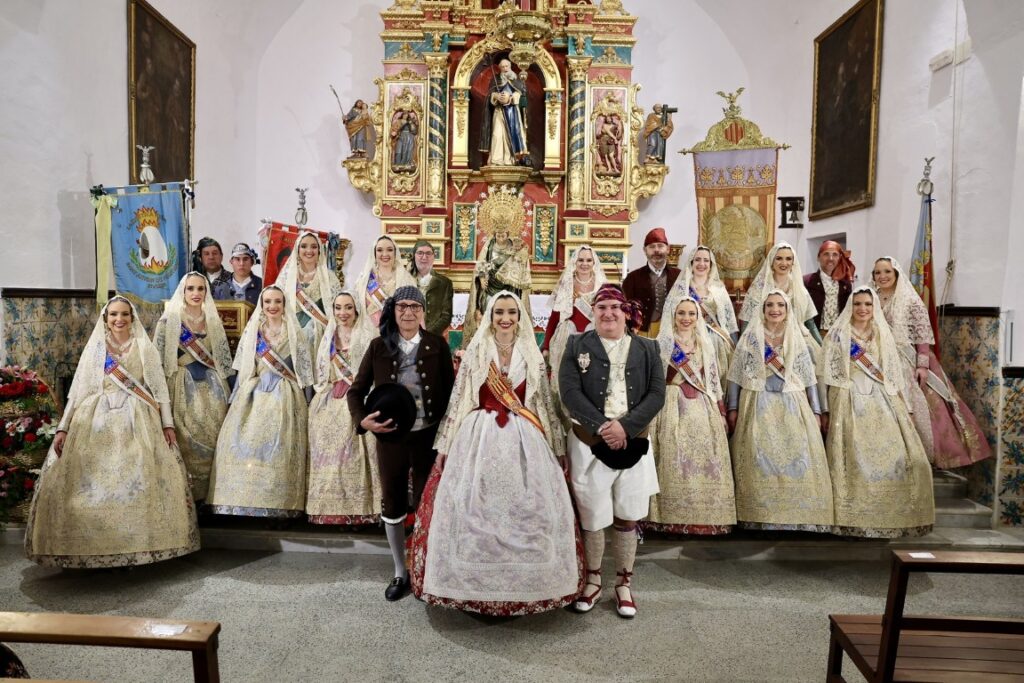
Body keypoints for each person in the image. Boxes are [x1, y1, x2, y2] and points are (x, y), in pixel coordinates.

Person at [410, 291, 581, 615]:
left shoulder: (530, 352)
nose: (505, 318)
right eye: (499, 312)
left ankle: (528, 586)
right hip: (479, 435)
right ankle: (473, 588)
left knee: (529, 508)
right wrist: (446, 447)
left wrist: (557, 448)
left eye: (511, 313)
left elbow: (542, 402)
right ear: (490, 316)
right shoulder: (477, 352)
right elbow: (461, 398)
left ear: (520, 317)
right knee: (472, 509)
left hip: (524, 437)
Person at [25, 296, 199, 568]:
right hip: (95, 419)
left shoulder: (144, 346)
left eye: (125, 315)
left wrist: (167, 424)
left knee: (137, 477)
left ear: (132, 318)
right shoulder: (96, 348)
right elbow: (77, 391)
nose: (119, 320)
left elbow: (159, 389)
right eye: (114, 315)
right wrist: (63, 427)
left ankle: (137, 547)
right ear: (105, 319)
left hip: (138, 418)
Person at [559, 283, 665, 619]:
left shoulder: (648, 348)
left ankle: (623, 583)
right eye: (601, 307)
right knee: (592, 517)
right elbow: (569, 391)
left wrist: (626, 427)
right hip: (590, 444)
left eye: (614, 308)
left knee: (628, 515)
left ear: (625, 313)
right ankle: (592, 582)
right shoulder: (577, 344)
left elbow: (656, 394)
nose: (608, 314)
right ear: (593, 313)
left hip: (634, 444)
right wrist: (603, 427)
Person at [348, 286, 455, 601]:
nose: (408, 313)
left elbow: (451, 395)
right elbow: (356, 391)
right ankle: (400, 571)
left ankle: (425, 569)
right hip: (391, 437)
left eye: (415, 306)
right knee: (392, 501)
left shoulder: (438, 345)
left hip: (428, 436)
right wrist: (361, 419)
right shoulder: (378, 346)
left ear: (423, 311)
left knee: (426, 502)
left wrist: (449, 438)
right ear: (393, 311)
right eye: (402, 307)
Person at [820, 286, 934, 537]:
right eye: (858, 304)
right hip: (848, 395)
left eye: (868, 305)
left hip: (881, 397)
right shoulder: (838, 335)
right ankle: (853, 516)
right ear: (851, 306)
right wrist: (826, 409)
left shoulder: (883, 334)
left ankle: (890, 514)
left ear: (874, 308)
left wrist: (905, 405)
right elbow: (826, 374)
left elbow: (892, 373)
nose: (863, 309)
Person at [726, 290, 834, 532]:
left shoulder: (797, 337)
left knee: (796, 454)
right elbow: (735, 376)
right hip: (757, 401)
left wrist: (816, 411)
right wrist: (732, 407)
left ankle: (797, 514)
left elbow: (808, 378)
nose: (775, 310)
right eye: (770, 305)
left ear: (787, 310)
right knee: (759, 455)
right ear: (762, 310)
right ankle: (760, 514)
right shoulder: (751, 338)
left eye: (780, 306)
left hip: (792, 403)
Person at [872, 257, 992, 469]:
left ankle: (921, 459)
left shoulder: (909, 298)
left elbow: (922, 333)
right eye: (878, 273)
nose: (882, 276)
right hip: (879, 360)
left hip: (907, 360)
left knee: (919, 409)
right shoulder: (871, 297)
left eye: (887, 272)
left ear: (896, 274)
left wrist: (922, 365)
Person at [207, 286, 314, 519]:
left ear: (284, 304)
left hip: (286, 394)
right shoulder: (254, 331)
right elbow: (245, 368)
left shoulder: (296, 332)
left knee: (280, 448)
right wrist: (237, 397)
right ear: (262, 305)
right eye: (268, 302)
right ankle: (244, 500)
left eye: (277, 301)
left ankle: (280, 505)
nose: (273, 306)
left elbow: (305, 372)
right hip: (255, 392)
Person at [647, 296, 736, 535]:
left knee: (705, 459)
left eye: (691, 314)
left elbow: (714, 381)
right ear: (673, 316)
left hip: (702, 407)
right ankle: (670, 517)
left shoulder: (705, 344)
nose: (686, 319)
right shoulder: (662, 344)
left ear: (698, 317)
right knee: (673, 456)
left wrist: (720, 409)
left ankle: (705, 518)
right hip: (670, 405)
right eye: (681, 314)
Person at [152, 272, 234, 502]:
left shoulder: (213, 320)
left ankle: (211, 496)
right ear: (183, 291)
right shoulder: (169, 320)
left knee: (214, 437)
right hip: (181, 385)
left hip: (213, 386)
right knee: (185, 439)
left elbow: (222, 359)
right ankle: (186, 496)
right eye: (191, 289)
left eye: (201, 289)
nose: (196, 294)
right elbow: (156, 359)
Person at [306, 292, 380, 525]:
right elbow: (322, 374)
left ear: (356, 310)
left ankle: (359, 512)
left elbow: (373, 374)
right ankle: (327, 510)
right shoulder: (328, 337)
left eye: (348, 308)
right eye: (338, 308)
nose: (343, 313)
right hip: (331, 397)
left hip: (358, 399)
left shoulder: (368, 337)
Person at [542, 245, 608, 416]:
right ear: (574, 262)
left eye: (588, 260)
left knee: (590, 380)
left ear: (594, 262)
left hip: (593, 338)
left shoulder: (602, 284)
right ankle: (564, 419)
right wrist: (547, 345)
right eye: (581, 260)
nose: (584, 264)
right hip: (566, 337)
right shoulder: (567, 282)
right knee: (565, 379)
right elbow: (555, 316)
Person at [669, 245, 739, 393]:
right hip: (690, 340)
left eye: (706, 260)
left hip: (717, 342)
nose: (701, 264)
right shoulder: (681, 288)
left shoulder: (719, 289)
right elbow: (670, 317)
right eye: (697, 260)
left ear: (711, 264)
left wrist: (735, 345)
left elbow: (730, 321)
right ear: (691, 263)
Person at [739, 241, 823, 346]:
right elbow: (747, 321)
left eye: (788, 259)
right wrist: (743, 346)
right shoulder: (758, 289)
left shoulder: (799, 289)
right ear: (771, 261)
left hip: (797, 341)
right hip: (765, 342)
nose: (784, 263)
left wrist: (821, 346)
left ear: (793, 262)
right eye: (779, 258)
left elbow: (810, 323)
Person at [277, 231, 342, 355]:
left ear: (319, 250)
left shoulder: (330, 277)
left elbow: (337, 309)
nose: (309, 250)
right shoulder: (286, 277)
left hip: (318, 330)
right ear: (297, 249)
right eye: (304, 246)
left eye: (314, 246)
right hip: (289, 327)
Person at [465, 227, 532, 344]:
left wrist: (519, 255)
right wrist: (481, 278)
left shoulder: (515, 245)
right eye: (498, 236)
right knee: (489, 317)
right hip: (490, 287)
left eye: (503, 236)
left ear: (508, 234)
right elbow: (482, 264)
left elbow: (522, 263)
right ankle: (487, 343)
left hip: (509, 287)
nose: (500, 239)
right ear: (494, 234)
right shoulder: (489, 246)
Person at [621, 227, 680, 338]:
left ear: (668, 249)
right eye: (652, 247)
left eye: (660, 246)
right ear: (645, 250)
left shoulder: (679, 276)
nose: (656, 250)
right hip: (642, 333)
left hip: (673, 332)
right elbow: (625, 309)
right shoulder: (632, 278)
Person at [353, 235, 417, 331]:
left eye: (390, 250)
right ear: (374, 253)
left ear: (395, 253)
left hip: (397, 332)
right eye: (379, 250)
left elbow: (414, 309)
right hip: (369, 332)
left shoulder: (407, 279)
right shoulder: (364, 280)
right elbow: (356, 308)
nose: (385, 254)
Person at [480, 58, 530, 167]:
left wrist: (510, 98)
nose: (505, 69)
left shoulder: (516, 80)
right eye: (502, 67)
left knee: (512, 135)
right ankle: (496, 160)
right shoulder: (495, 80)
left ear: (510, 66)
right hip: (499, 111)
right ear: (500, 68)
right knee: (497, 134)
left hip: (513, 112)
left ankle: (510, 160)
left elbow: (521, 96)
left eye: (506, 66)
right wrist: (496, 96)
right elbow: (490, 95)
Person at [804, 240, 855, 336]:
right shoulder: (807, 281)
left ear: (840, 258)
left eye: (835, 255)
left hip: (839, 336)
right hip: (814, 335)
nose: (830, 258)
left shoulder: (846, 284)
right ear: (818, 257)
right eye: (826, 254)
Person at [409, 239, 453, 337]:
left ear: (434, 257)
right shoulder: (405, 279)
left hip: (433, 338)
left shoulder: (444, 283)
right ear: (414, 256)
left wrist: (428, 334)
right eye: (420, 253)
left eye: (428, 253)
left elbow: (446, 316)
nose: (424, 257)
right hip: (407, 335)